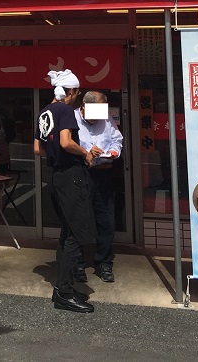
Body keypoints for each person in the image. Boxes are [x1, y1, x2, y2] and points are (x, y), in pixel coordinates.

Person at [34, 68, 96, 313]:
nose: (78, 97)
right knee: (77, 235)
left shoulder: (44, 112)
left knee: (67, 233)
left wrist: (57, 156)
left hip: (57, 178)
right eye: (77, 93)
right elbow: (65, 142)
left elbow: (38, 150)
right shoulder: (65, 110)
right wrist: (86, 153)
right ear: (71, 91)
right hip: (71, 179)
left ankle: (62, 288)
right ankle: (65, 293)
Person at [73, 90, 124, 283]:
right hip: (81, 173)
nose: (97, 120)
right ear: (84, 107)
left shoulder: (106, 118)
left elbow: (117, 140)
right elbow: (67, 144)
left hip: (103, 173)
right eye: (93, 116)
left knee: (106, 220)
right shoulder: (72, 118)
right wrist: (85, 152)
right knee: (79, 219)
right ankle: (78, 263)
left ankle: (104, 263)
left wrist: (112, 151)